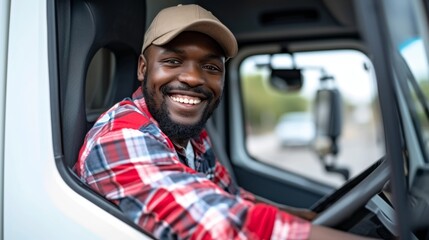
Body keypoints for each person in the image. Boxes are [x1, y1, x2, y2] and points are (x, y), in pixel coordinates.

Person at [75, 4, 375, 240]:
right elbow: (219, 227)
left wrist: (307, 218)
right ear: (143, 68)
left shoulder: (192, 136)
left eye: (210, 67)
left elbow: (231, 198)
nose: (193, 78)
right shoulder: (120, 137)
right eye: (173, 61)